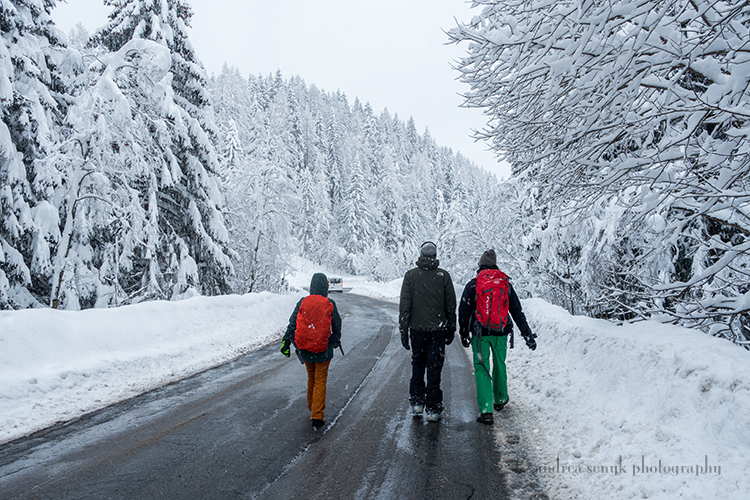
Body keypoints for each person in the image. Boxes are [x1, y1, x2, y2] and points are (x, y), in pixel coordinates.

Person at [458, 249, 537, 425]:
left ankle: (486, 410)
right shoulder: (505, 284)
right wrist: (527, 334)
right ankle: (500, 399)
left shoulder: (474, 285)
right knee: (500, 364)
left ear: (480, 266)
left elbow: (463, 311)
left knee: (482, 368)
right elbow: (517, 312)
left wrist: (464, 333)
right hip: (501, 333)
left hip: (480, 335)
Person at [399, 241, 457, 422]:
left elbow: (405, 306)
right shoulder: (443, 276)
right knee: (434, 367)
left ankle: (417, 402)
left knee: (417, 364)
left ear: (421, 255)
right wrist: (451, 327)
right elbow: (450, 305)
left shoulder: (411, 276)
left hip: (417, 330)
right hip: (438, 330)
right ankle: (433, 407)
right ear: (435, 256)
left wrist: (404, 330)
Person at [281, 273, 342, 428]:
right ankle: (317, 415)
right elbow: (337, 323)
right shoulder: (329, 303)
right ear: (325, 287)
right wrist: (336, 338)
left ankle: (312, 407)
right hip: (324, 349)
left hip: (306, 349)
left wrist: (286, 341)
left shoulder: (303, 302)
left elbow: (293, 322)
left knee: (311, 377)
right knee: (320, 380)